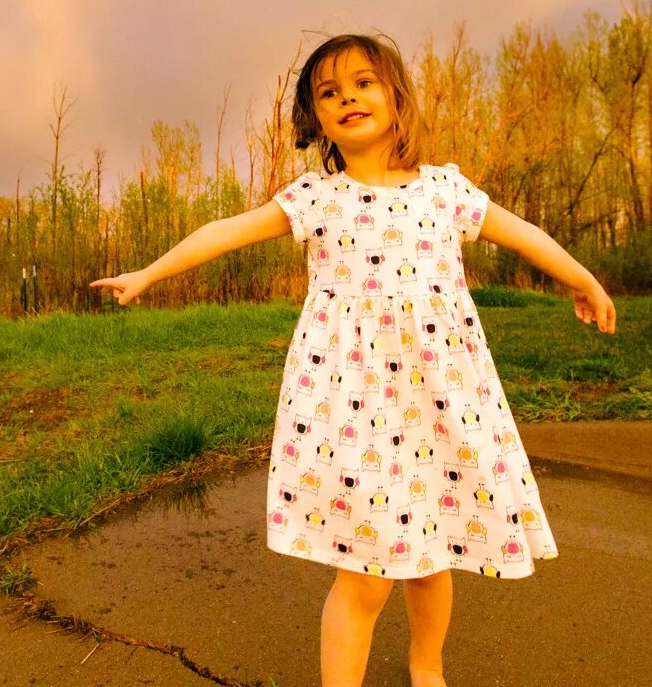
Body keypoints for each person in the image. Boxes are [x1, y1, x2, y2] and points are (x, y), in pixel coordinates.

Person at [91, 33, 616, 687]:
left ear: (397, 95)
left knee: (432, 559)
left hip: (441, 404)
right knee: (364, 575)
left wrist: (582, 278)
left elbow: (524, 234)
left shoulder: (444, 191)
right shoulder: (319, 197)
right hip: (356, 412)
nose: (347, 99)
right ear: (317, 118)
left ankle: (428, 667)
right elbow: (226, 232)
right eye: (329, 93)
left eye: (362, 84)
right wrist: (150, 272)